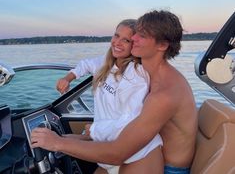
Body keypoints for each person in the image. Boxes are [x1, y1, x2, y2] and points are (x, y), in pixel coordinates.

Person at [31, 10, 198, 174]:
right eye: (135, 34)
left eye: (142, 36)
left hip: (169, 168)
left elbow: (118, 152)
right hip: (139, 148)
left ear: (162, 45)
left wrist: (57, 143)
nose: (134, 38)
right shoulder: (146, 73)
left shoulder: (164, 93)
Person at [55, 18, 163, 174]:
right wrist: (68, 78)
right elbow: (86, 65)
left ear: (135, 44)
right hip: (109, 146)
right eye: (116, 35)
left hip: (136, 155)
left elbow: (129, 121)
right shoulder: (108, 63)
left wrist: (94, 130)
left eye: (125, 40)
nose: (117, 42)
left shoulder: (136, 76)